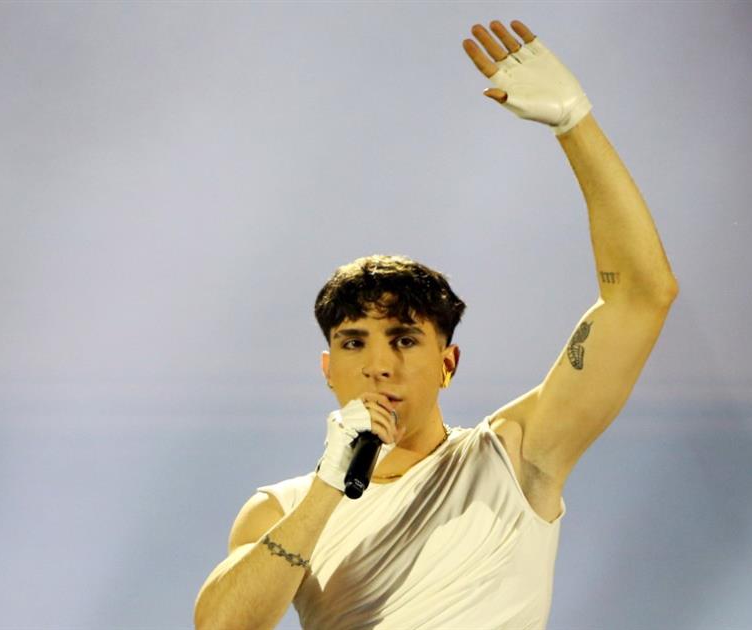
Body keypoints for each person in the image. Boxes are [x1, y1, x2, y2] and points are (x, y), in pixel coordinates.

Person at [194, 18, 678, 630]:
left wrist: (574, 122)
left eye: (404, 340)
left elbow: (642, 296)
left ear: (448, 363)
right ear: (327, 369)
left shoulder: (514, 457)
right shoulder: (281, 509)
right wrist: (328, 486)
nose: (379, 365)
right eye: (353, 343)